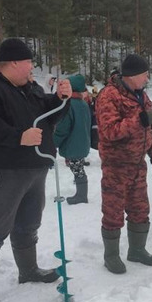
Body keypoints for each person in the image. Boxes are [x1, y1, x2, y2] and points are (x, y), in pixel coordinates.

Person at [0, 38, 71, 302]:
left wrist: (61, 99)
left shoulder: (30, 87)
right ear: (13, 63)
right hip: (3, 167)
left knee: (29, 221)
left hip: (35, 165)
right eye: (29, 62)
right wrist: (18, 137)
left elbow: (49, 115)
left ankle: (28, 269)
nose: (32, 67)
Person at [96, 54, 152, 274]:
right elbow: (110, 131)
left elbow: (148, 130)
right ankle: (111, 255)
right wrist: (139, 120)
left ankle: (137, 250)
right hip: (116, 166)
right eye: (144, 74)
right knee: (113, 212)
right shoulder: (109, 96)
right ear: (133, 75)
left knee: (140, 210)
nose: (147, 78)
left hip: (138, 164)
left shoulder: (141, 96)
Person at [53, 74, 92, 205]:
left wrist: (54, 142)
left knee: (77, 168)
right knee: (78, 166)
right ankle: (81, 192)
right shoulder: (83, 104)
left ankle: (81, 195)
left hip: (73, 143)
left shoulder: (68, 106)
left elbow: (63, 128)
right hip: (82, 142)